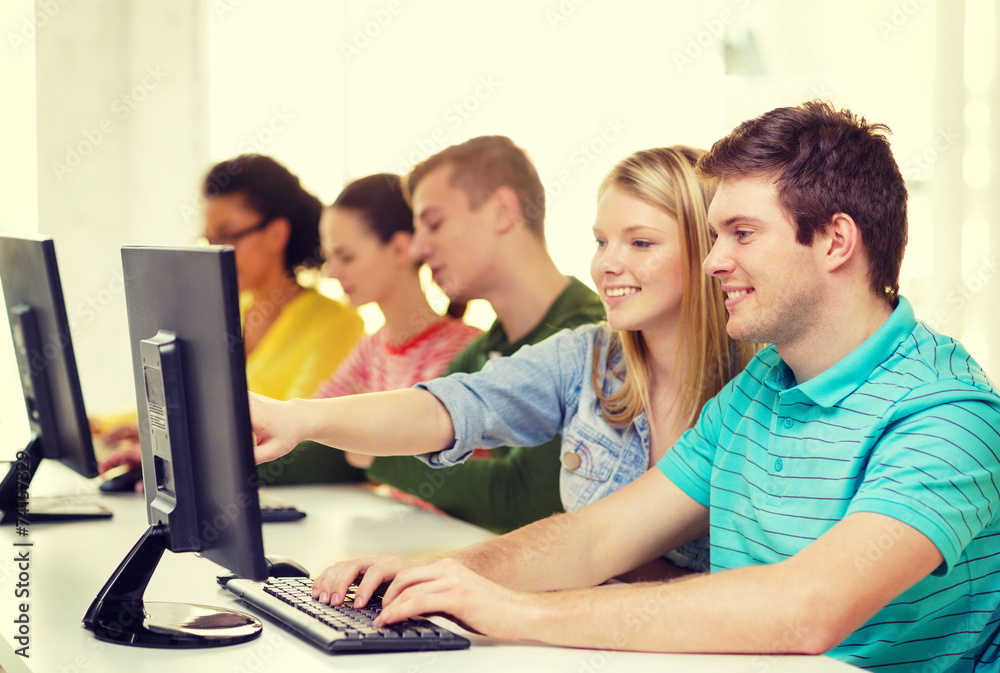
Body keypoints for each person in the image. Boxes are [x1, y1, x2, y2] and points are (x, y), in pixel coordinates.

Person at [257, 102, 1000, 671]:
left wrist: (520, 612)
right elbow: (598, 536)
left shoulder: (944, 413)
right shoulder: (759, 391)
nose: (714, 263)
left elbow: (806, 609)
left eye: (741, 234)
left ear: (836, 240)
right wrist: (439, 576)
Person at [250, 145, 756, 579]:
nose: (607, 264)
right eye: (601, 241)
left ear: (708, 250)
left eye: (640, 242)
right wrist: (298, 417)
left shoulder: (763, 384)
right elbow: (451, 407)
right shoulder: (588, 354)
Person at [341, 136, 606, 532]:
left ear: (502, 211)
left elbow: (526, 500)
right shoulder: (488, 348)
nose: (419, 248)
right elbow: (411, 424)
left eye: (433, 223)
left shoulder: (591, 338)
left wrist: (376, 454)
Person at [97, 154, 364, 482]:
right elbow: (184, 401)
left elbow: (299, 435)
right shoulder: (222, 313)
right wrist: (104, 425)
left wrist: (183, 459)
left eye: (227, 236)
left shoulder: (336, 324)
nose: (213, 251)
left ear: (276, 234)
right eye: (208, 239)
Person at [280, 173, 481, 483]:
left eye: (345, 257)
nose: (332, 272)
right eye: (329, 257)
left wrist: (365, 441)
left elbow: (417, 459)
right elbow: (315, 418)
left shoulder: (460, 350)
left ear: (400, 249)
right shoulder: (373, 347)